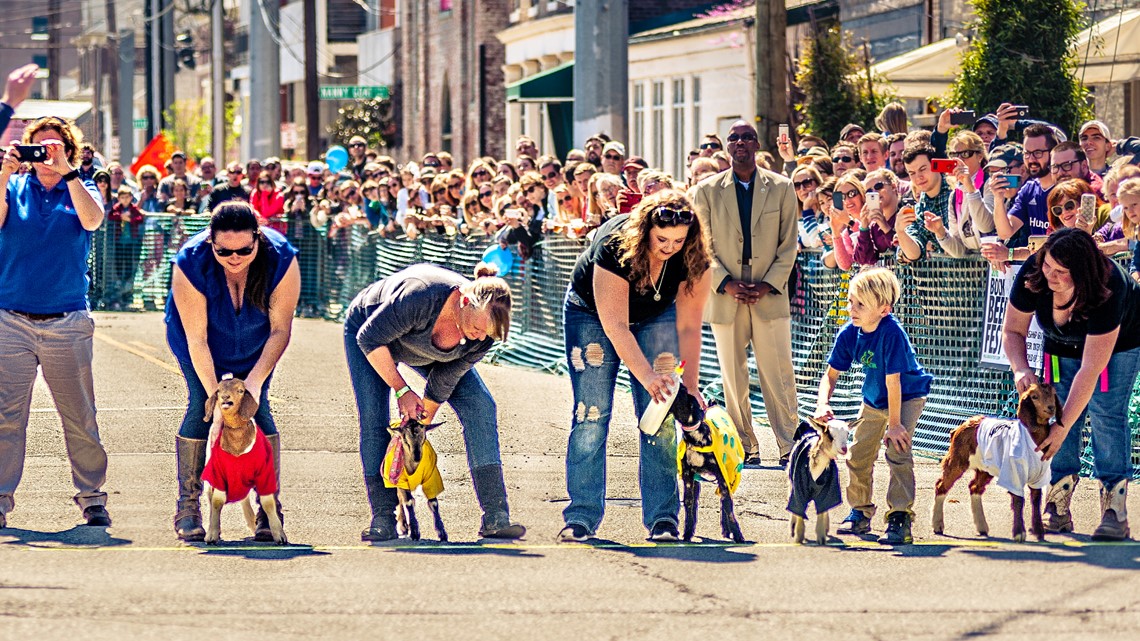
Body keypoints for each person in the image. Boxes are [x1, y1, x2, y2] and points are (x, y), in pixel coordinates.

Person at [558, 190, 712, 542]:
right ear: (645, 230)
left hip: (657, 317)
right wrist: (647, 376)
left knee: (659, 420)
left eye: (678, 239)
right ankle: (581, 516)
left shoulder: (695, 258)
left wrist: (688, 386)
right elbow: (615, 325)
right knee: (591, 415)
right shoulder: (615, 245)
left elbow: (689, 326)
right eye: (661, 238)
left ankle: (662, 519)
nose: (669, 246)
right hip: (592, 315)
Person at [343, 262, 523, 542]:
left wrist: (421, 417)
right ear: (464, 300)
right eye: (476, 327)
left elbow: (445, 379)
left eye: (485, 334)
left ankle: (495, 515)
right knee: (374, 418)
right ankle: (383, 517)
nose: (479, 336)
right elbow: (369, 337)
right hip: (371, 335)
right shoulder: (421, 295)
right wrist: (402, 391)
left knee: (480, 405)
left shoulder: (484, 332)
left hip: (423, 349)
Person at [0, 115, 111, 529]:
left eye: (55, 148)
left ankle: (92, 497)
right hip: (10, 319)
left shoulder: (79, 188)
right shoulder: (13, 186)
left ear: (69, 150)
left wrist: (69, 173)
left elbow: (93, 220)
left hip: (67, 320)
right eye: (38, 148)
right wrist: (4, 173)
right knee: (6, 416)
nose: (45, 156)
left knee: (79, 415)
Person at [165, 202, 301, 541]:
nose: (235, 258)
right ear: (211, 242)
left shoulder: (282, 258)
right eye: (224, 251)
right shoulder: (191, 262)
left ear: (258, 238)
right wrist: (218, 401)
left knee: (259, 411)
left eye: (244, 249)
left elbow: (280, 330)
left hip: (257, 343)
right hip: (200, 341)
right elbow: (196, 339)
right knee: (201, 407)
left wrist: (252, 386)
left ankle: (269, 511)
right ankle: (188, 507)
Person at [1004, 228, 1140, 540]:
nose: (1049, 274)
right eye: (1047, 265)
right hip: (1059, 342)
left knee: (1106, 411)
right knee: (1053, 410)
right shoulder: (1034, 271)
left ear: (1081, 272)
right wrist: (1020, 368)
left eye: (1060, 272)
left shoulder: (1110, 286)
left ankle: (1114, 506)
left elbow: (1091, 370)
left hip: (1119, 343)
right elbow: (1012, 331)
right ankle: (1059, 497)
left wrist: (1063, 428)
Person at [691, 120, 800, 468]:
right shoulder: (706, 190)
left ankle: (789, 446)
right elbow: (700, 246)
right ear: (726, 147)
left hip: (769, 294)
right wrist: (724, 281)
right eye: (733, 138)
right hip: (726, 295)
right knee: (732, 376)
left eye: (747, 137)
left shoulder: (782, 188)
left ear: (757, 145)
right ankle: (744, 445)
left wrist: (770, 281)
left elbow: (789, 243)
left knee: (779, 374)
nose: (740, 143)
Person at [815, 268, 932, 545]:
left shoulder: (892, 333)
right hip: (875, 397)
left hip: (906, 396)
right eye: (850, 301)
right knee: (857, 454)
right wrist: (822, 403)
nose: (851, 308)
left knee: (897, 451)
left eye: (859, 304)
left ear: (883, 309)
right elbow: (830, 375)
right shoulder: (849, 332)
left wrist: (895, 425)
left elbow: (895, 383)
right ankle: (860, 511)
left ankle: (900, 517)